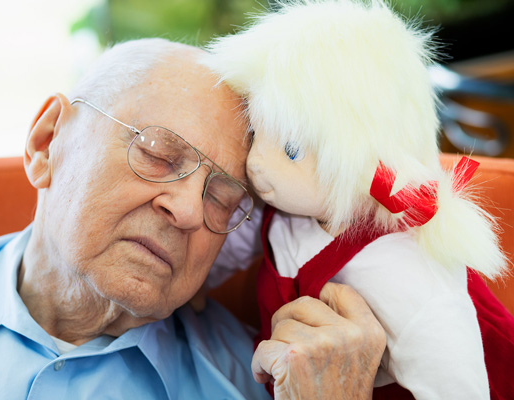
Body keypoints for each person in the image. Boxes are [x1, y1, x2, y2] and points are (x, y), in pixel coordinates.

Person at [0, 38, 385, 399]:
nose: (186, 210)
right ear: (46, 143)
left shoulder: (266, 379)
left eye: (222, 197)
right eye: (158, 152)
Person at [204, 1, 510, 399]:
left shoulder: (406, 274)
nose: (256, 163)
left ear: (356, 155)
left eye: (292, 148)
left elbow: (458, 383)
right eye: (255, 132)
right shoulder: (286, 208)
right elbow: (225, 250)